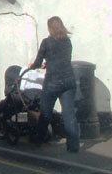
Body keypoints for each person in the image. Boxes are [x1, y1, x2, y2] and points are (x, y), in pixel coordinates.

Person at [29, 16, 80, 153]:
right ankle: (73, 146)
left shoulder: (46, 42)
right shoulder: (67, 41)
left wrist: (32, 67)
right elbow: (61, 58)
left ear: (50, 28)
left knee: (45, 113)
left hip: (53, 82)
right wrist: (49, 63)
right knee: (69, 115)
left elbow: (38, 62)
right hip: (69, 81)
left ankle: (38, 141)